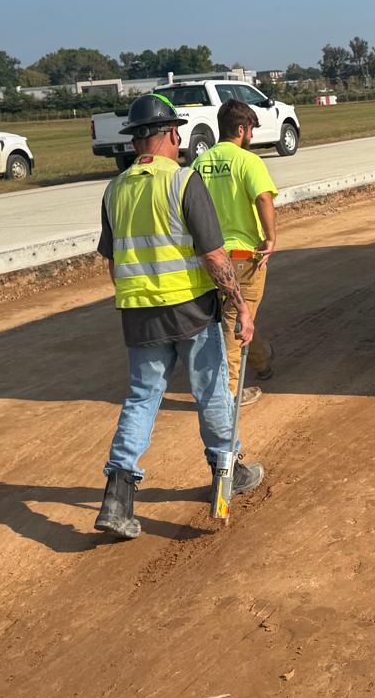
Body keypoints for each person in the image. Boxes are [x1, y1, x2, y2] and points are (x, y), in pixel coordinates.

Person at [94, 93, 262, 540]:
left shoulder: (114, 190)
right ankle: (228, 471)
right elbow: (215, 256)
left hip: (139, 315)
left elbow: (112, 261)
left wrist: (138, 297)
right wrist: (241, 306)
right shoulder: (184, 182)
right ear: (172, 134)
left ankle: (117, 497)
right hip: (191, 311)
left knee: (141, 398)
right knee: (212, 393)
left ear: (135, 141)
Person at [192, 98, 278, 408]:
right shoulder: (248, 161)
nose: (252, 136)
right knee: (234, 321)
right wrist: (270, 238)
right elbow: (264, 198)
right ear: (241, 129)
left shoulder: (199, 164)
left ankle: (262, 360)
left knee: (238, 312)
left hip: (208, 255)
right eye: (251, 130)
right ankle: (228, 393)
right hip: (242, 255)